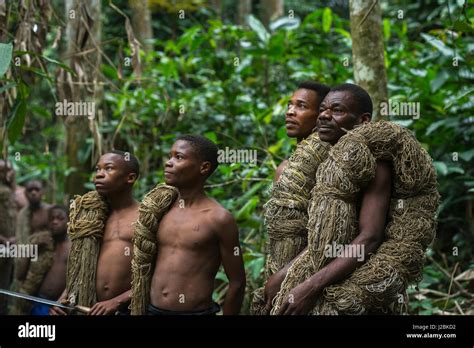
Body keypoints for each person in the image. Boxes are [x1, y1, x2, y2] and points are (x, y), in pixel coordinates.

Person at [265, 83, 392, 314]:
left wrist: (307, 284)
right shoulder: (318, 163)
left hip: (344, 283)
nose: (324, 115)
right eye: (323, 109)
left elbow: (368, 237)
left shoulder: (374, 165)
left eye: (337, 110)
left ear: (363, 121)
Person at [144, 135, 246, 315]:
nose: (169, 163)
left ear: (204, 167)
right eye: (170, 156)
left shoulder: (218, 218)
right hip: (152, 310)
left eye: (179, 157)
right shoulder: (160, 210)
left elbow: (237, 282)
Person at [50, 150, 140, 315]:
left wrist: (116, 302)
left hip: (126, 310)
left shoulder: (145, 218)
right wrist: (64, 298)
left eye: (108, 168)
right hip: (88, 308)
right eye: (97, 169)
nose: (99, 174)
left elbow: (156, 275)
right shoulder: (92, 218)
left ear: (130, 178)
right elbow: (80, 267)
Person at [274, 81, 330, 181]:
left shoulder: (334, 164)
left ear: (321, 114)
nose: (290, 112)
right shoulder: (286, 169)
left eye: (302, 106)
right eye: (290, 105)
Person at [29, 206, 71, 315]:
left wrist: (62, 301)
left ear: (69, 221)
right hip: (37, 300)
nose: (55, 222)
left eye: (60, 218)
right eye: (52, 219)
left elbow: (76, 279)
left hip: (56, 305)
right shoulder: (46, 243)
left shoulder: (72, 247)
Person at [0, 160, 16, 314]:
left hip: (10, 245)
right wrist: (3, 239)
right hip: (3, 243)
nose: (8, 174)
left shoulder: (10, 189)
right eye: (4, 171)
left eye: (9, 170)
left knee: (5, 281)